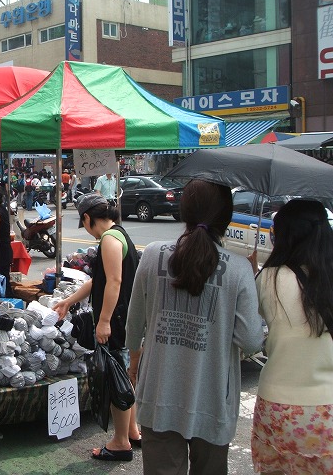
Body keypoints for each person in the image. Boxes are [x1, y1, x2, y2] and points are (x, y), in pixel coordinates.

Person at [125, 179, 265, 475]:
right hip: (213, 401)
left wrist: (134, 363)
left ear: (183, 210)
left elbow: (134, 325)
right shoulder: (239, 268)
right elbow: (252, 340)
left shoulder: (152, 253)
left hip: (159, 394)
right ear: (226, 217)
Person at [53, 193, 142, 462]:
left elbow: (114, 282)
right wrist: (69, 301)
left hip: (115, 320)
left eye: (84, 224)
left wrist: (103, 321)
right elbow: (99, 281)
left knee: (115, 378)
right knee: (122, 375)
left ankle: (120, 443)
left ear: (87, 218)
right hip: (124, 317)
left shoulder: (109, 240)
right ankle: (133, 431)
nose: (87, 231)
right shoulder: (119, 235)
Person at [250, 199, 333, 475]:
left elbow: (253, 320)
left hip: (276, 405)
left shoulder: (268, 278)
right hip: (327, 409)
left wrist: (253, 274)